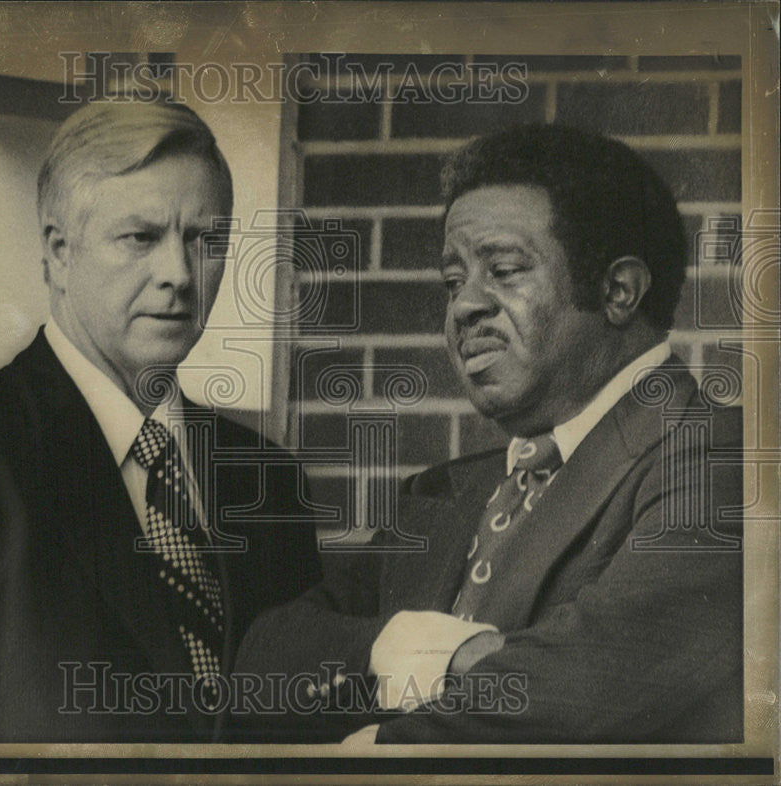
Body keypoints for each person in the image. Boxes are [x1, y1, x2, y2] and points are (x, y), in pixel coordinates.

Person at [234, 124, 743, 745]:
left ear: (618, 291)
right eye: (453, 282)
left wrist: (374, 751)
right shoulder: (444, 492)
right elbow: (262, 661)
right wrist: (409, 646)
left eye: (502, 270)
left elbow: (589, 687)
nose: (463, 307)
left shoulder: (728, 462)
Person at [0, 99, 322, 743]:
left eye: (204, 240)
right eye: (140, 237)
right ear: (59, 252)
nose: (177, 274)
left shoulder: (269, 479)